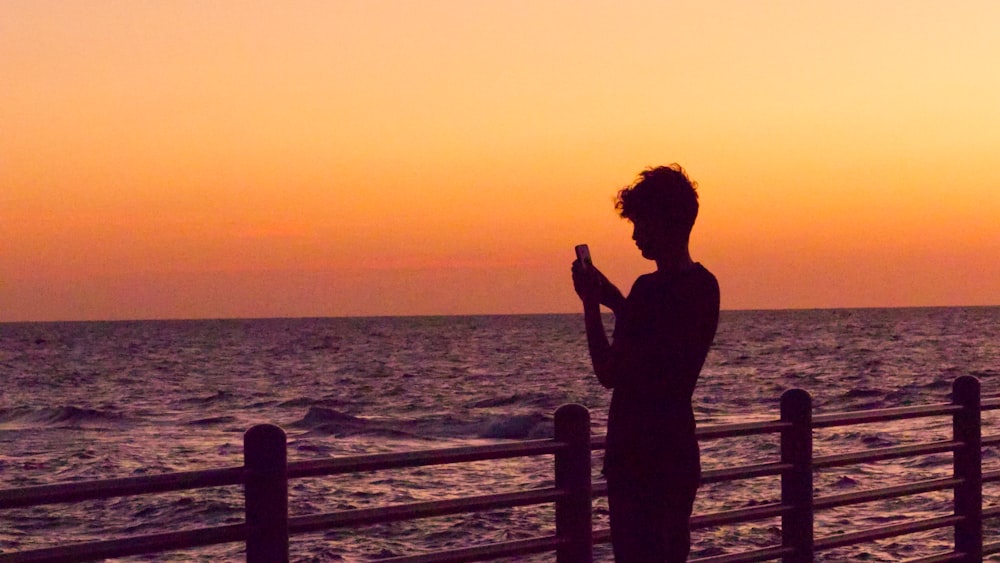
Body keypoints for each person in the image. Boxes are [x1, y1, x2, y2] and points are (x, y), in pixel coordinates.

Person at [572, 164, 720, 562]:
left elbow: (610, 371)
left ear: (664, 222)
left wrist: (590, 305)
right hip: (677, 453)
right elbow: (658, 350)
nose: (636, 235)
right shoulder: (704, 287)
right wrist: (618, 302)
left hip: (637, 461)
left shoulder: (648, 291)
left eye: (641, 224)